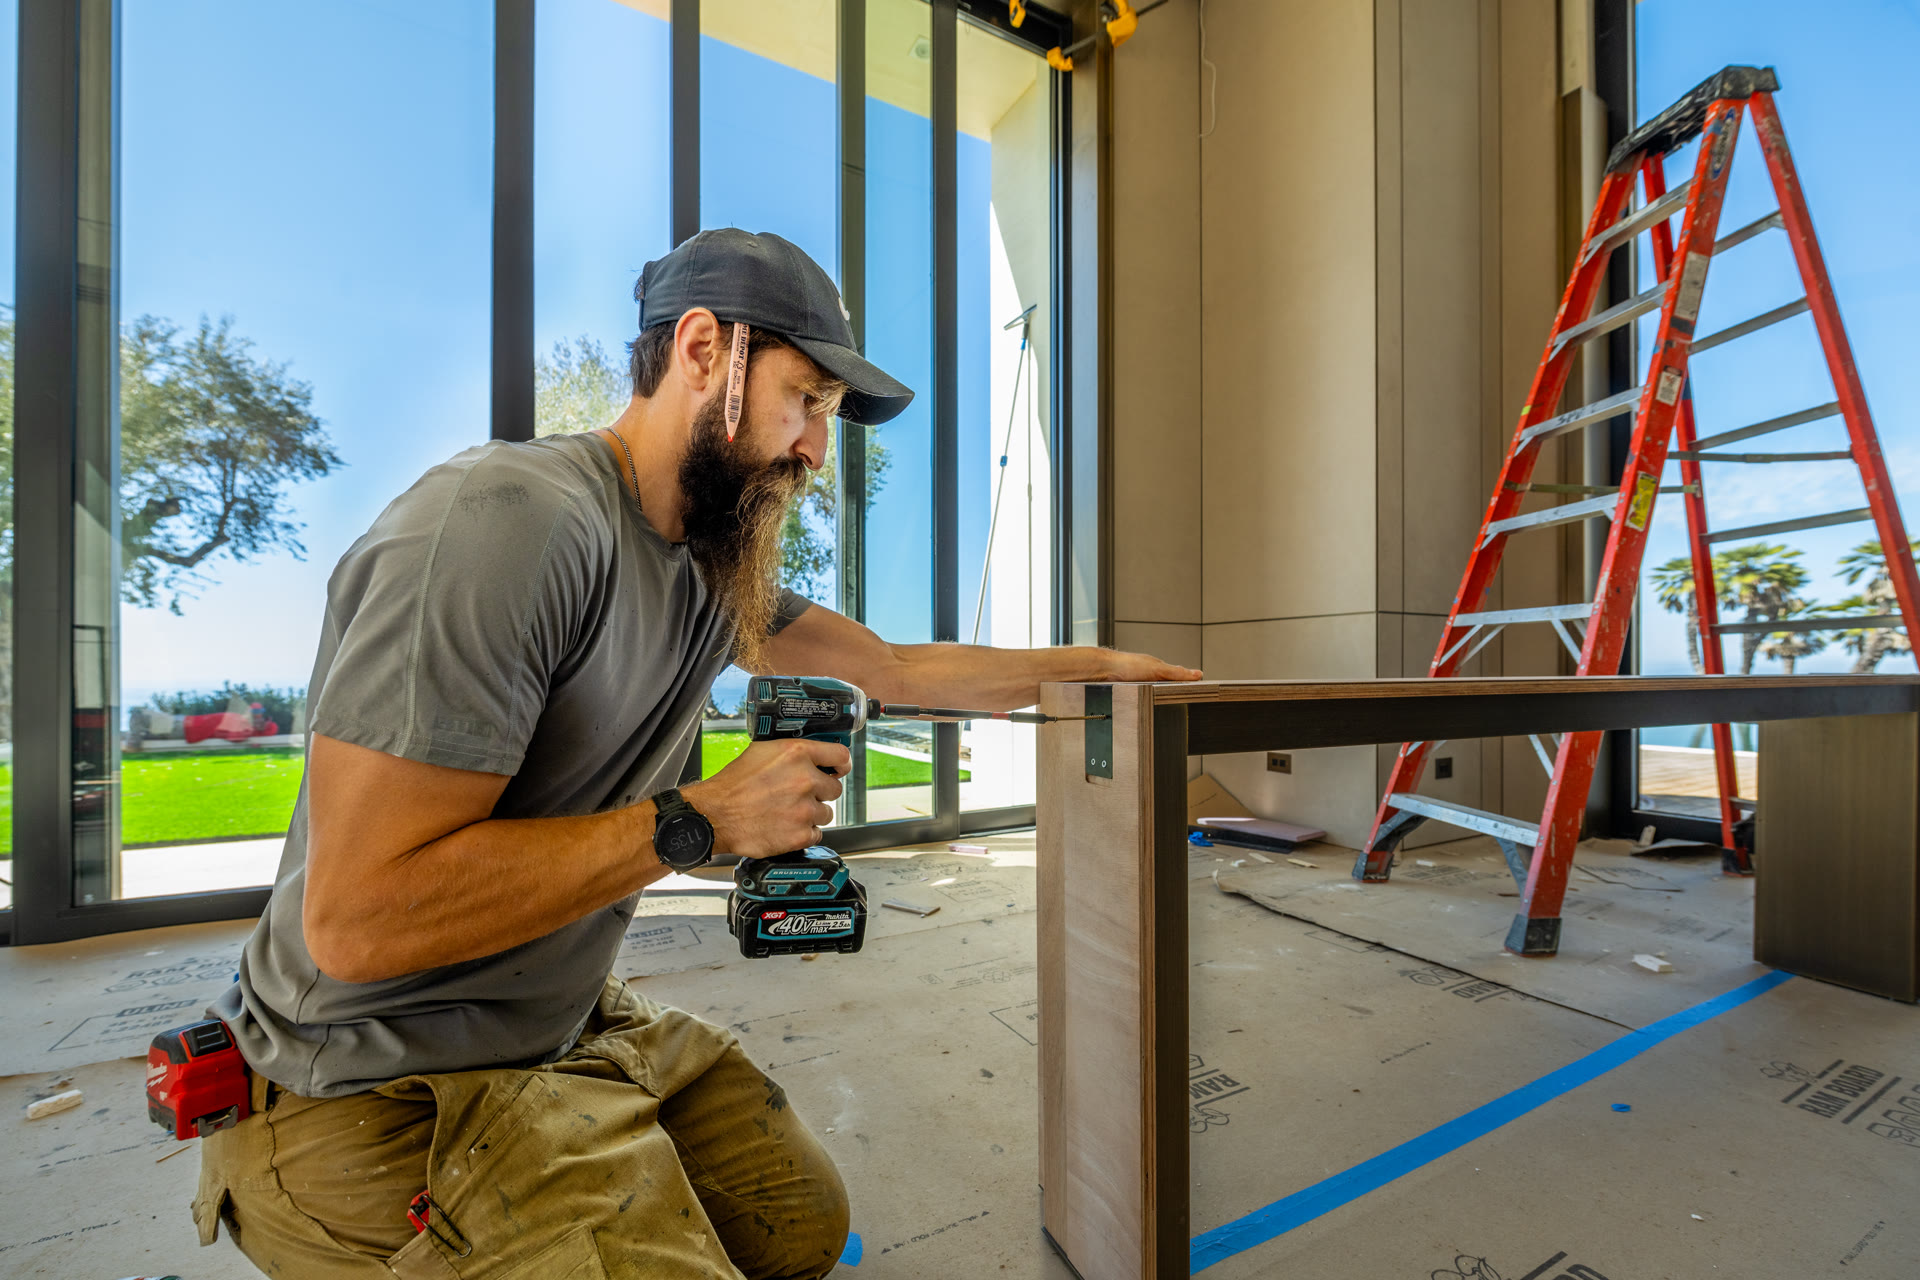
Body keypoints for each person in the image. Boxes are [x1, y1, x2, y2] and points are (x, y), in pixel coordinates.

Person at [193, 228, 1202, 1278]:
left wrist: (1116, 671)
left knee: (794, 1223)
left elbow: (899, 668)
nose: (818, 448)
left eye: (828, 416)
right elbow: (357, 918)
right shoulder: (508, 526)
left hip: (557, 1025)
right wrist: (702, 819)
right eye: (805, 398)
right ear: (703, 347)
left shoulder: (709, 570)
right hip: (364, 1092)